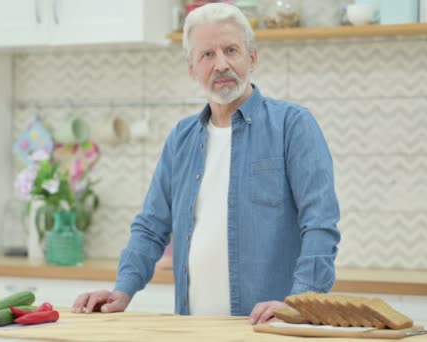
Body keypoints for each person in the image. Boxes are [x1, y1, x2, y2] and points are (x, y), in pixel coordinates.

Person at [72, 2, 341, 325]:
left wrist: (301, 303)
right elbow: (151, 227)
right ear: (192, 69)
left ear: (252, 57)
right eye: (207, 55)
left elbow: (320, 224)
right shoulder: (181, 138)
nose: (221, 64)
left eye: (231, 50)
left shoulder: (293, 126)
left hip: (271, 330)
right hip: (193, 327)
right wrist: (123, 289)